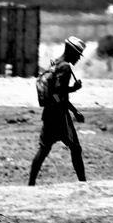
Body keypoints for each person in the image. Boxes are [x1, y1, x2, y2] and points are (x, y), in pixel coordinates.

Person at [28, 36, 87, 185]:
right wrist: (74, 88)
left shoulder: (55, 63)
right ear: (72, 52)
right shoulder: (65, 67)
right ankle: (83, 183)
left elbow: (57, 95)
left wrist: (75, 111)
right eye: (78, 55)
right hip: (60, 116)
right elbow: (59, 91)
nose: (78, 59)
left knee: (43, 149)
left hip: (48, 113)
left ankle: (31, 184)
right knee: (75, 148)